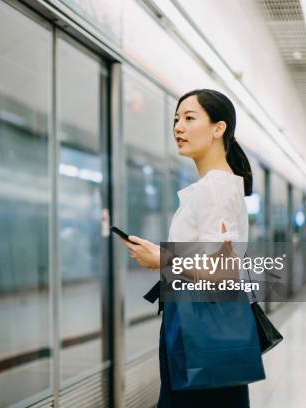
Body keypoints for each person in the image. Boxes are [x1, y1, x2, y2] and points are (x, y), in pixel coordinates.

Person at [119, 89, 256, 407]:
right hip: (197, 321)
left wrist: (162, 259)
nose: (178, 127)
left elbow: (224, 270)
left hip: (201, 326)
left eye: (189, 118)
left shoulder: (217, 187)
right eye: (176, 119)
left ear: (218, 128)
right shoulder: (216, 185)